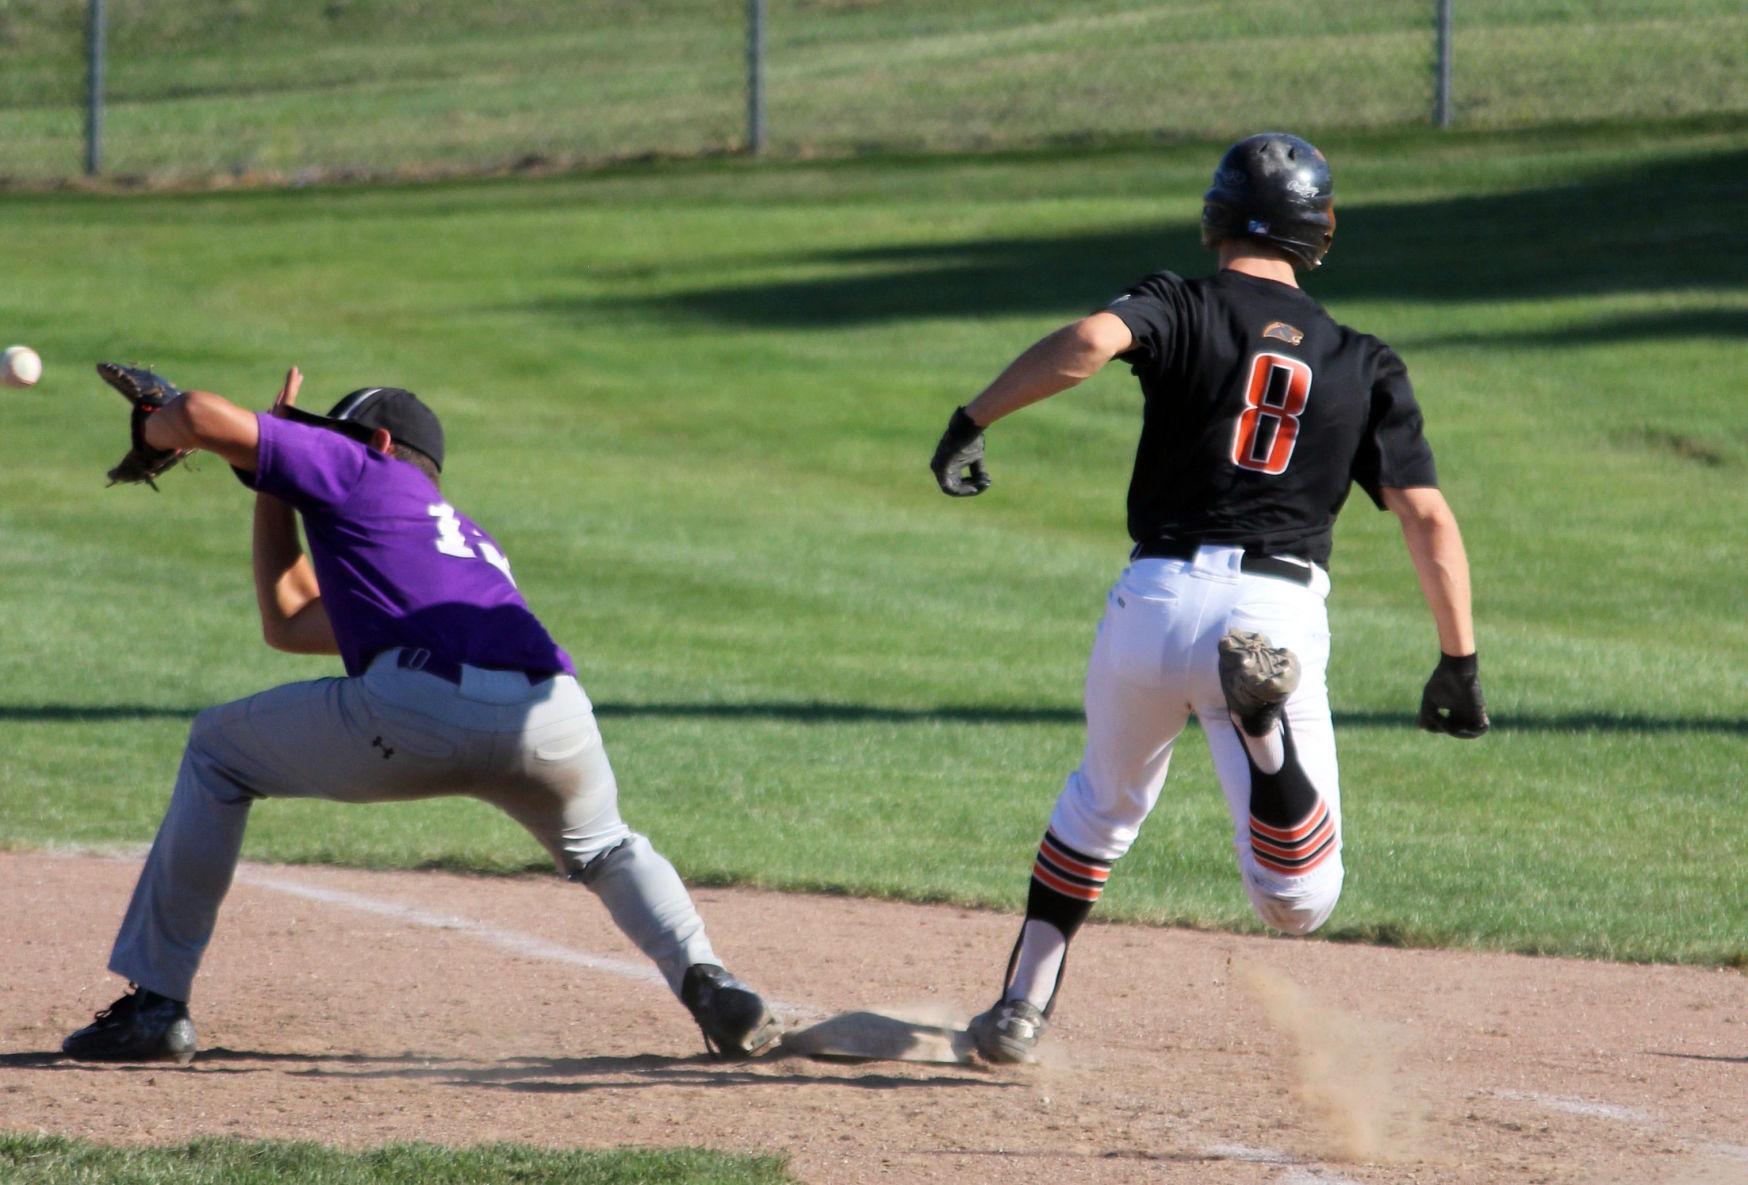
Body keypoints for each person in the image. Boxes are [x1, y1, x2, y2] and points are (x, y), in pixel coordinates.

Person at [928, 132, 1489, 1064]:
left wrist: (972, 419)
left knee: (1099, 810)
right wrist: (1459, 662)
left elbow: (1089, 342)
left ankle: (1020, 1010)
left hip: (1150, 598)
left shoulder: (1176, 302)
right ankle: (1263, 732)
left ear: (1215, 217)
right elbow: (1426, 517)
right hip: (1271, 610)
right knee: (1297, 900)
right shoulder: (1362, 359)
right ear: (1322, 231)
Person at [63, 368, 780, 1064]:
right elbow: (288, 620)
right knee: (606, 849)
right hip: (557, 713)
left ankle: (155, 1006)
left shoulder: (360, 469)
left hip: (425, 706)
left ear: (372, 442)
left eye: (327, 438)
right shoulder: (453, 537)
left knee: (217, 749)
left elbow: (196, 415)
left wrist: (162, 430)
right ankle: (709, 980)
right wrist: (273, 482)